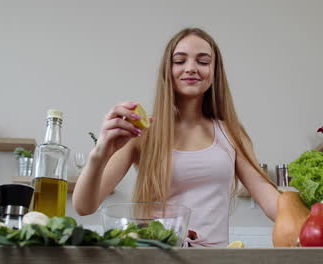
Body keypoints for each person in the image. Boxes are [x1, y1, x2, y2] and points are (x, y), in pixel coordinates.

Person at [72, 27, 280, 247]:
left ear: (215, 72)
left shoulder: (232, 134)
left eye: (203, 61)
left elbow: (270, 201)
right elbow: (84, 206)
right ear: (167, 70)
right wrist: (100, 153)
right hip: (157, 258)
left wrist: (315, 211)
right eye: (180, 61)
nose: (191, 68)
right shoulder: (141, 133)